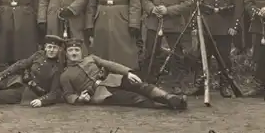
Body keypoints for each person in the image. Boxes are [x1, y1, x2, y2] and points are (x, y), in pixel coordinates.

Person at [59, 38, 187, 110]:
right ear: (66, 54)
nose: (74, 53)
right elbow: (68, 95)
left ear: (81, 51)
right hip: (101, 94)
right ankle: (167, 106)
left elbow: (110, 65)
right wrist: (79, 99)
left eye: (76, 50)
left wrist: (128, 72)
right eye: (70, 50)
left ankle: (170, 98)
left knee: (141, 85)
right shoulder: (65, 75)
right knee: (135, 98)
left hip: (113, 79)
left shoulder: (91, 58)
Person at [142, 0, 193, 94]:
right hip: (154, 22)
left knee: (176, 54)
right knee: (150, 52)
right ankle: (149, 82)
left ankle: (176, 84)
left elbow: (187, 3)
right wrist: (152, 9)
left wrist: (168, 10)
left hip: (174, 24)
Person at [193, 0, 243, 97]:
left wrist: (234, 26)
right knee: (202, 57)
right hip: (207, 25)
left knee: (224, 58)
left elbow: (239, 5)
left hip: (225, 26)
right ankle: (201, 85)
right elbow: (197, 5)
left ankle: (225, 85)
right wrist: (196, 27)